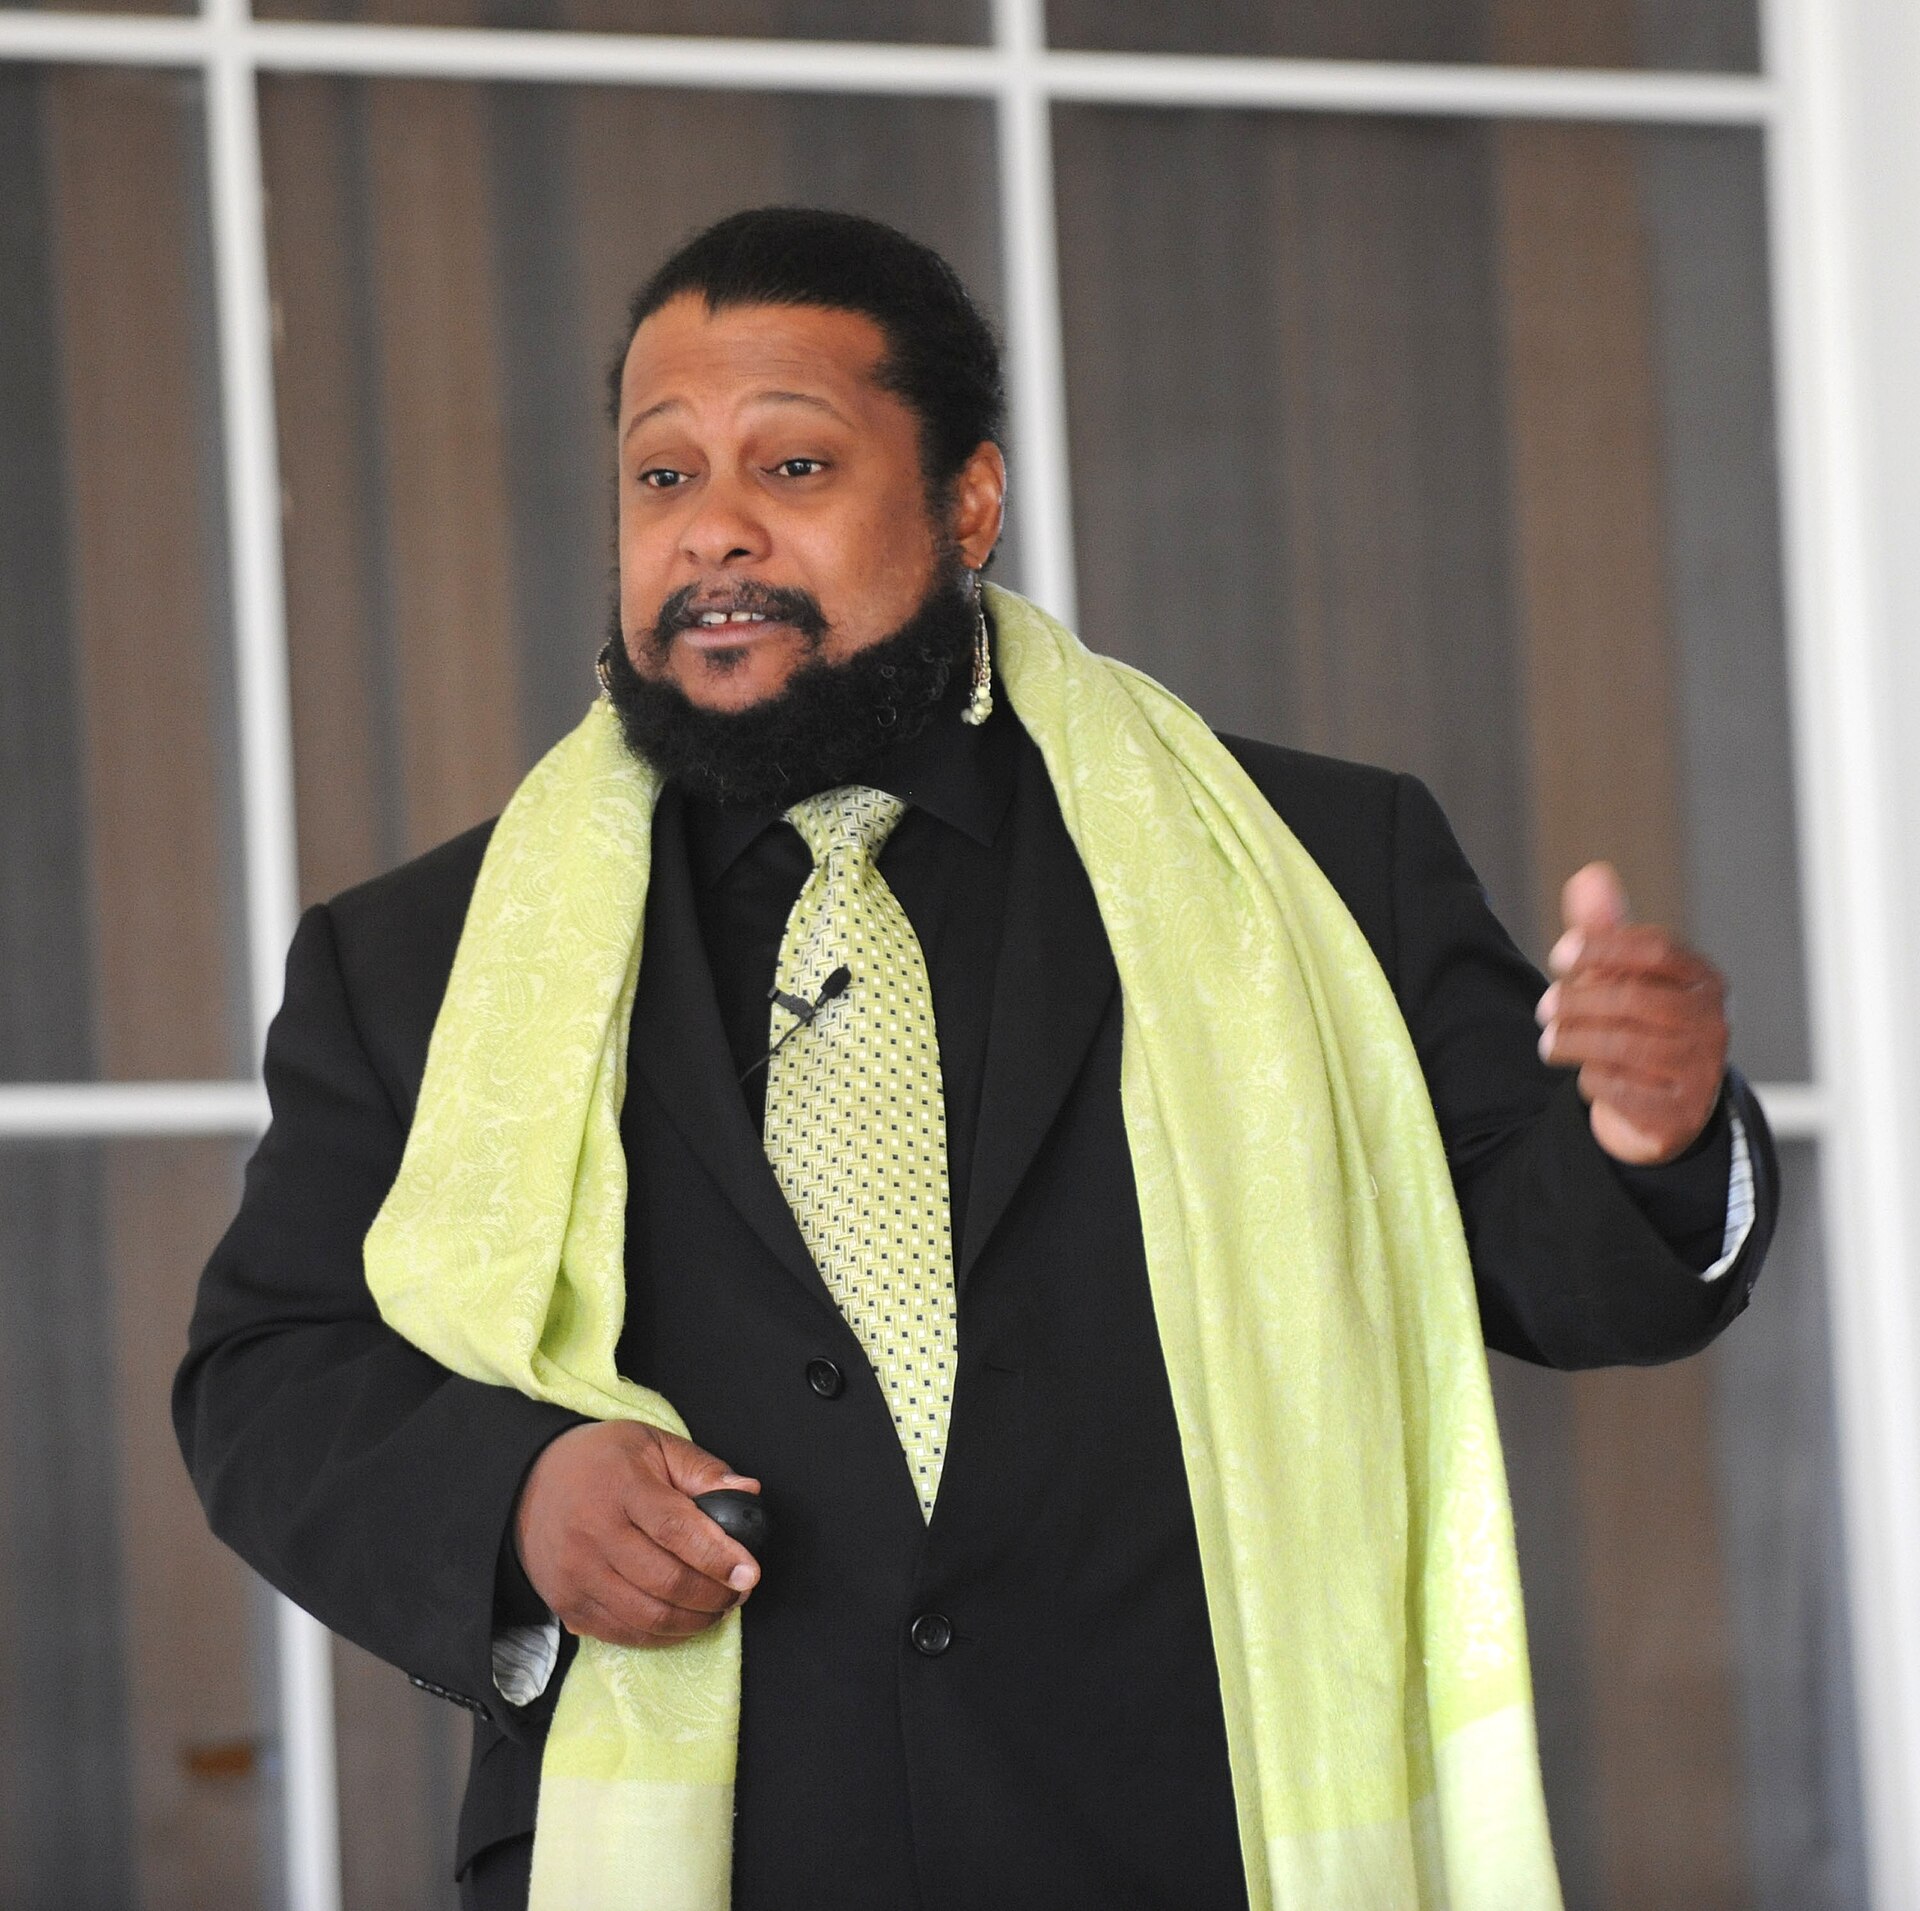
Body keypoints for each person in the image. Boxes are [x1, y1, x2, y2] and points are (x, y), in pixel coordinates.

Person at [175, 207, 1775, 1911]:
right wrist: (513, 1500)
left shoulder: (1310, 861)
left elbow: (1538, 1264)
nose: (712, 528)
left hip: (1191, 1848)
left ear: (968, 507)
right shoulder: (419, 954)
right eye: (662, 479)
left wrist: (1651, 1137)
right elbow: (269, 1369)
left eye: (793, 466)